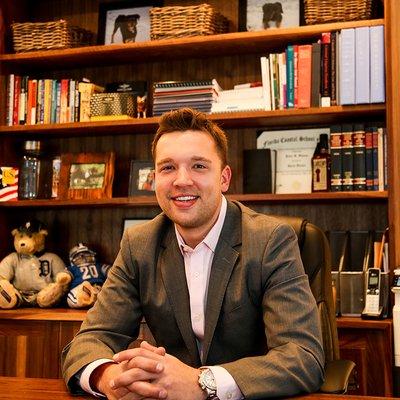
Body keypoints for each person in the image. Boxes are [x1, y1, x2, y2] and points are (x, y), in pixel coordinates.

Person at [61, 107, 324, 399]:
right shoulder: (139, 244)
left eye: (198, 166)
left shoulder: (270, 241)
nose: (181, 180)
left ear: (224, 178)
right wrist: (113, 378)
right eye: (168, 168)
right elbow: (90, 340)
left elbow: (302, 357)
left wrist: (203, 382)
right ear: (155, 179)